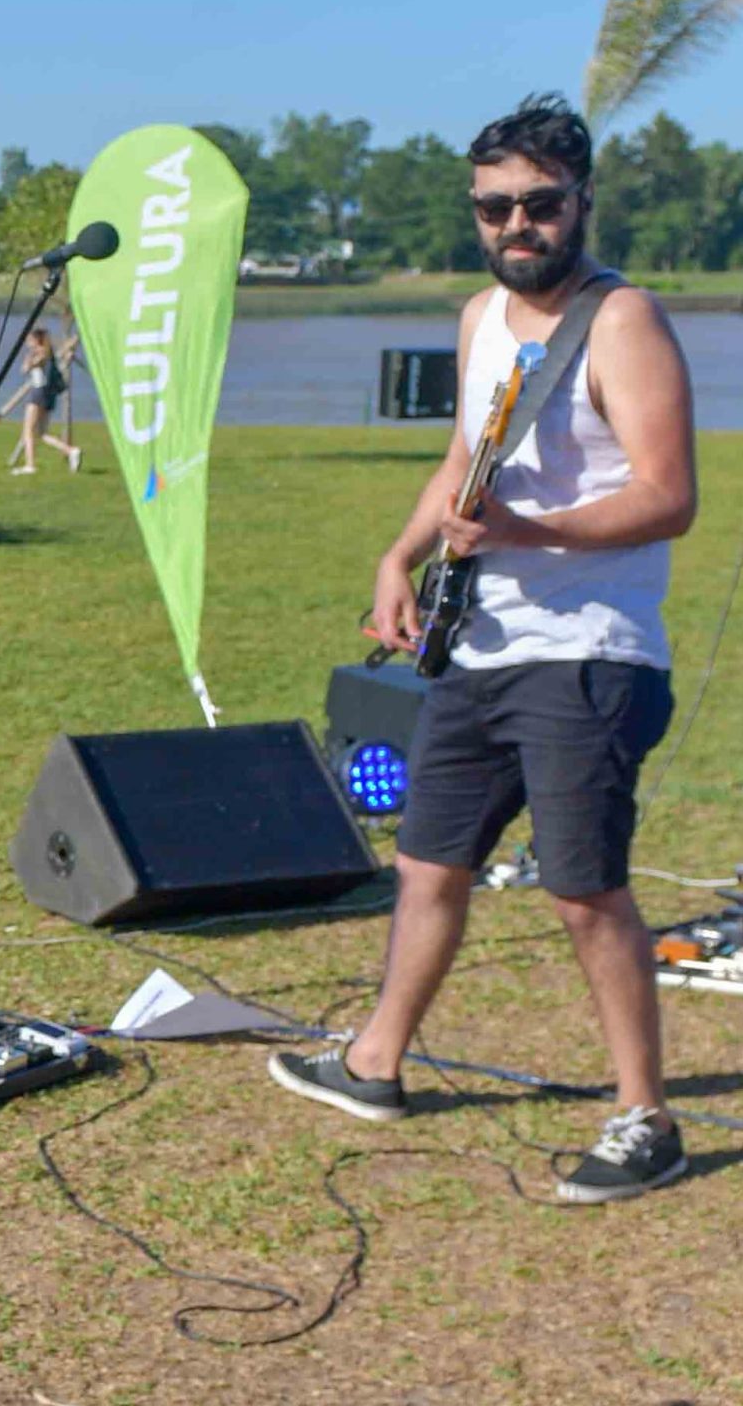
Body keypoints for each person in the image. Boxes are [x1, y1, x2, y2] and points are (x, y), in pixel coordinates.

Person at [269, 95, 698, 1205]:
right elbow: (467, 453)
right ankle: (373, 1063)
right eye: (494, 208)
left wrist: (528, 530)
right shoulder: (478, 320)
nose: (517, 226)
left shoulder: (623, 324)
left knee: (582, 891)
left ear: (580, 203)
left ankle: (644, 1116)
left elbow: (667, 496)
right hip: (483, 646)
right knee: (427, 863)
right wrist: (396, 558)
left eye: (539, 205)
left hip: (590, 652)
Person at [11, 327, 81, 474]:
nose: (27, 343)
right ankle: (70, 451)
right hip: (48, 394)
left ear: (36, 340)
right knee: (42, 433)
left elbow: (26, 369)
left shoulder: (42, 353)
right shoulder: (49, 353)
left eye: (30, 340)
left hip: (38, 393)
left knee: (28, 430)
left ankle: (30, 465)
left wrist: (30, 359)